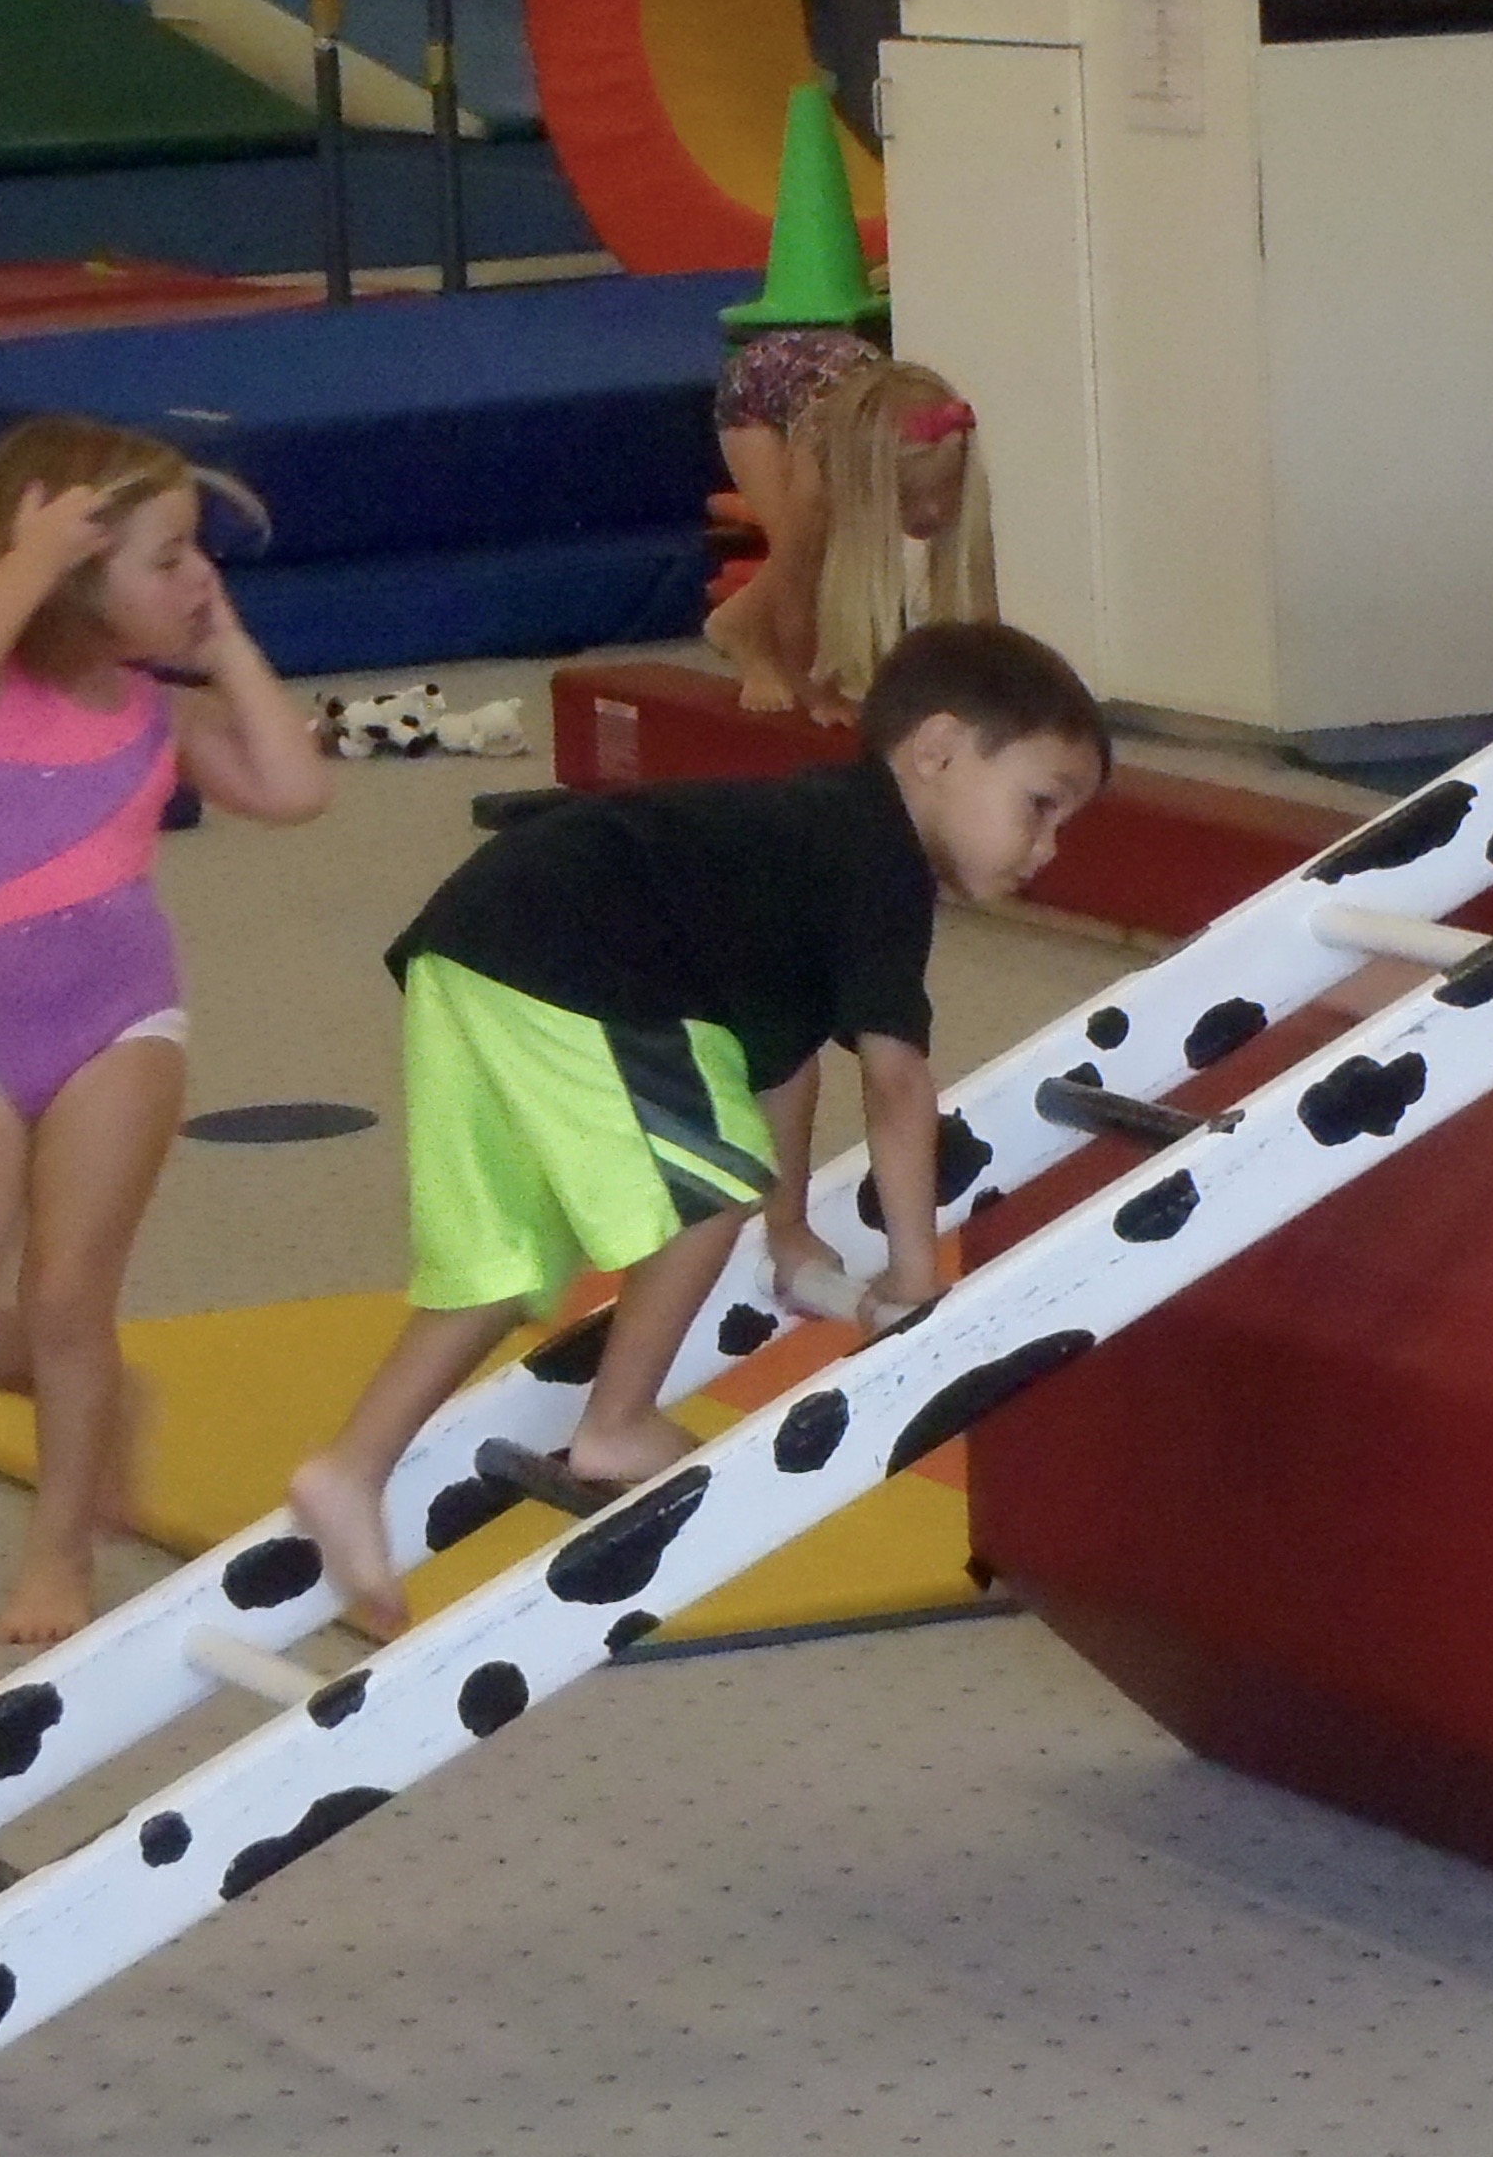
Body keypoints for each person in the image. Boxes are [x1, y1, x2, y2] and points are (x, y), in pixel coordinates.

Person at [286, 620, 1106, 1636]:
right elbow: (897, 1085)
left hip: (481, 944)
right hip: (570, 952)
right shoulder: (879, 861)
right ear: (935, 750)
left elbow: (780, 1063)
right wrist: (913, 1277)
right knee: (705, 1193)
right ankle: (618, 1424)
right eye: (1039, 806)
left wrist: (789, 1227)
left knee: (505, 1261)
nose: (1048, 848)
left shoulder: (809, 847)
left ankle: (349, 1470)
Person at [0, 415, 334, 1645]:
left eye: (200, 554)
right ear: (75, 574)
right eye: (170, 558)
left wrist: (227, 647)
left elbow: (296, 791)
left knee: (66, 1298)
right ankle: (103, 1407)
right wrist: (30, 556)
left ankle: (59, 1554)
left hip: (119, 1029)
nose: (201, 577)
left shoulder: (155, 718)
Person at [702, 343, 997, 726]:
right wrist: (819, 695)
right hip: (758, 391)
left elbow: (982, 602)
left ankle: (734, 617)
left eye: (946, 491)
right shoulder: (818, 481)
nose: (934, 512)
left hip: (843, 379)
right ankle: (747, 637)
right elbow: (795, 599)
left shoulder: (945, 451)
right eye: (910, 498)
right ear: (874, 488)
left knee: (805, 553)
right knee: (796, 554)